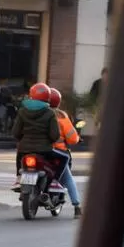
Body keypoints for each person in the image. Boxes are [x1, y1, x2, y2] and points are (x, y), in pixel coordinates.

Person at [12, 82, 68, 190]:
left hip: (25, 148)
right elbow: (54, 135)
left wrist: (22, 140)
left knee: (20, 154)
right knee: (64, 158)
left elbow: (15, 132)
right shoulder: (50, 113)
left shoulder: (22, 111)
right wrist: (51, 141)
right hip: (44, 150)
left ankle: (19, 178)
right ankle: (55, 182)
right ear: (48, 97)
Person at [49, 88, 83, 217]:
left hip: (39, 150)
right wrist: (78, 139)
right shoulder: (61, 117)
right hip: (58, 152)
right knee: (68, 178)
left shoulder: (39, 114)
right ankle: (77, 206)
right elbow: (73, 138)